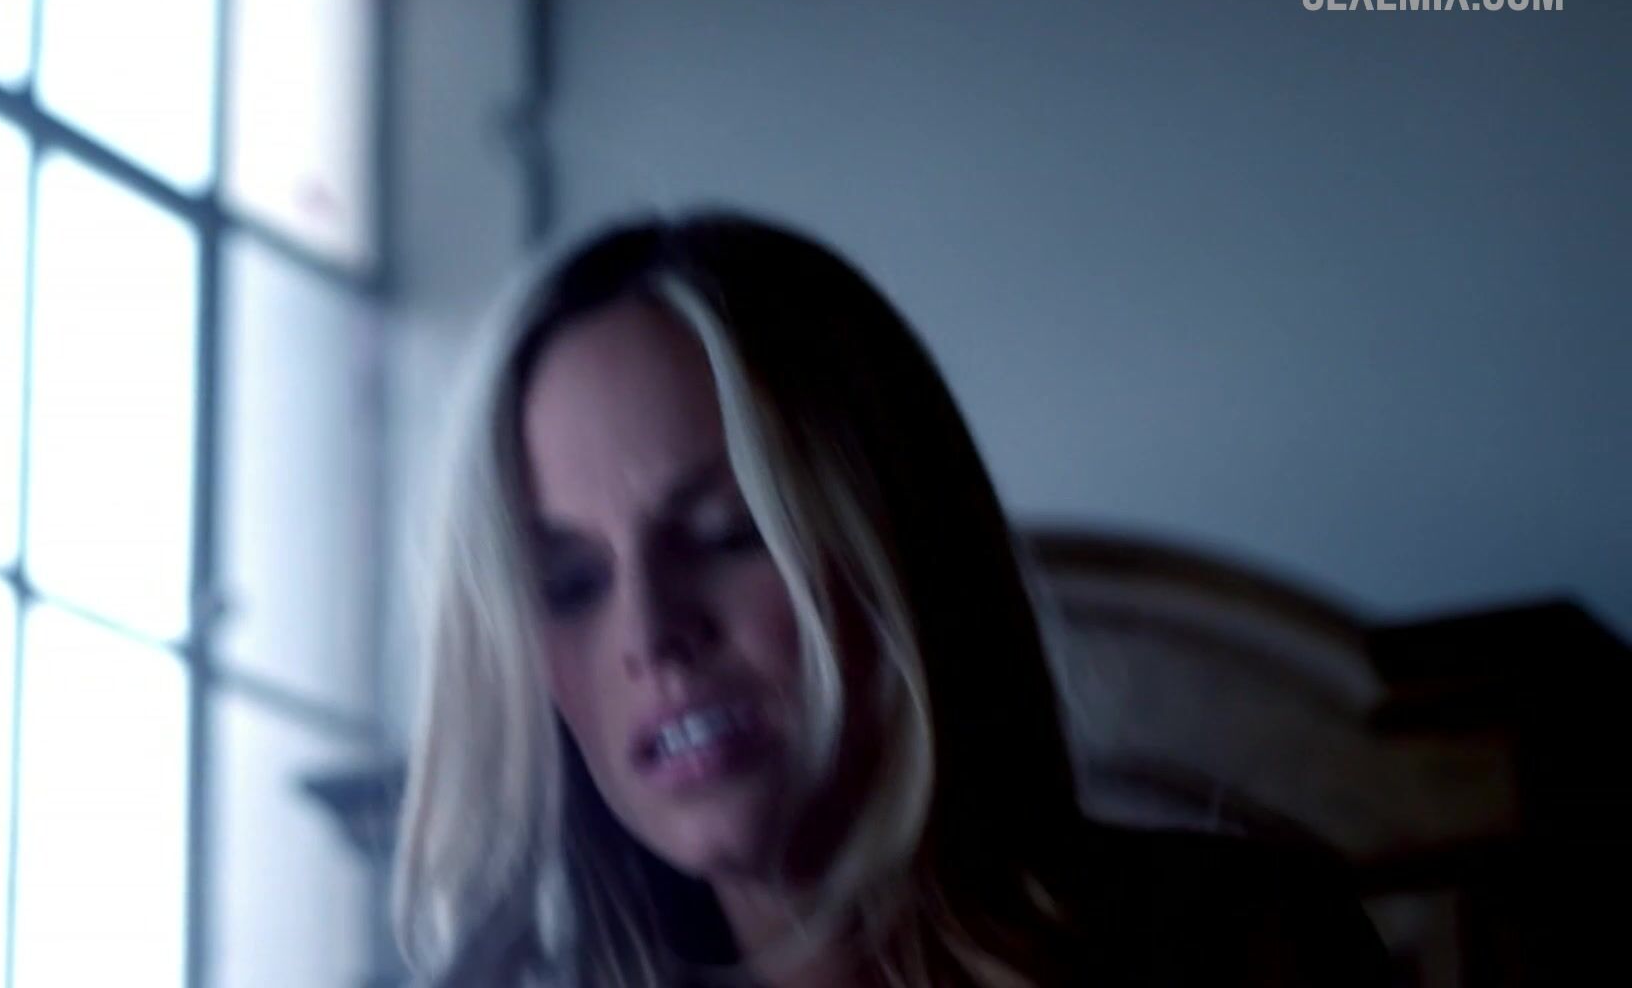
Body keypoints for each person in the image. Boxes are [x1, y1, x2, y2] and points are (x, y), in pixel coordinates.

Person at [390, 211, 1393, 987]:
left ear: (898, 544)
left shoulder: (1249, 950)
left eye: (729, 533)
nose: (652, 633)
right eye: (570, 584)